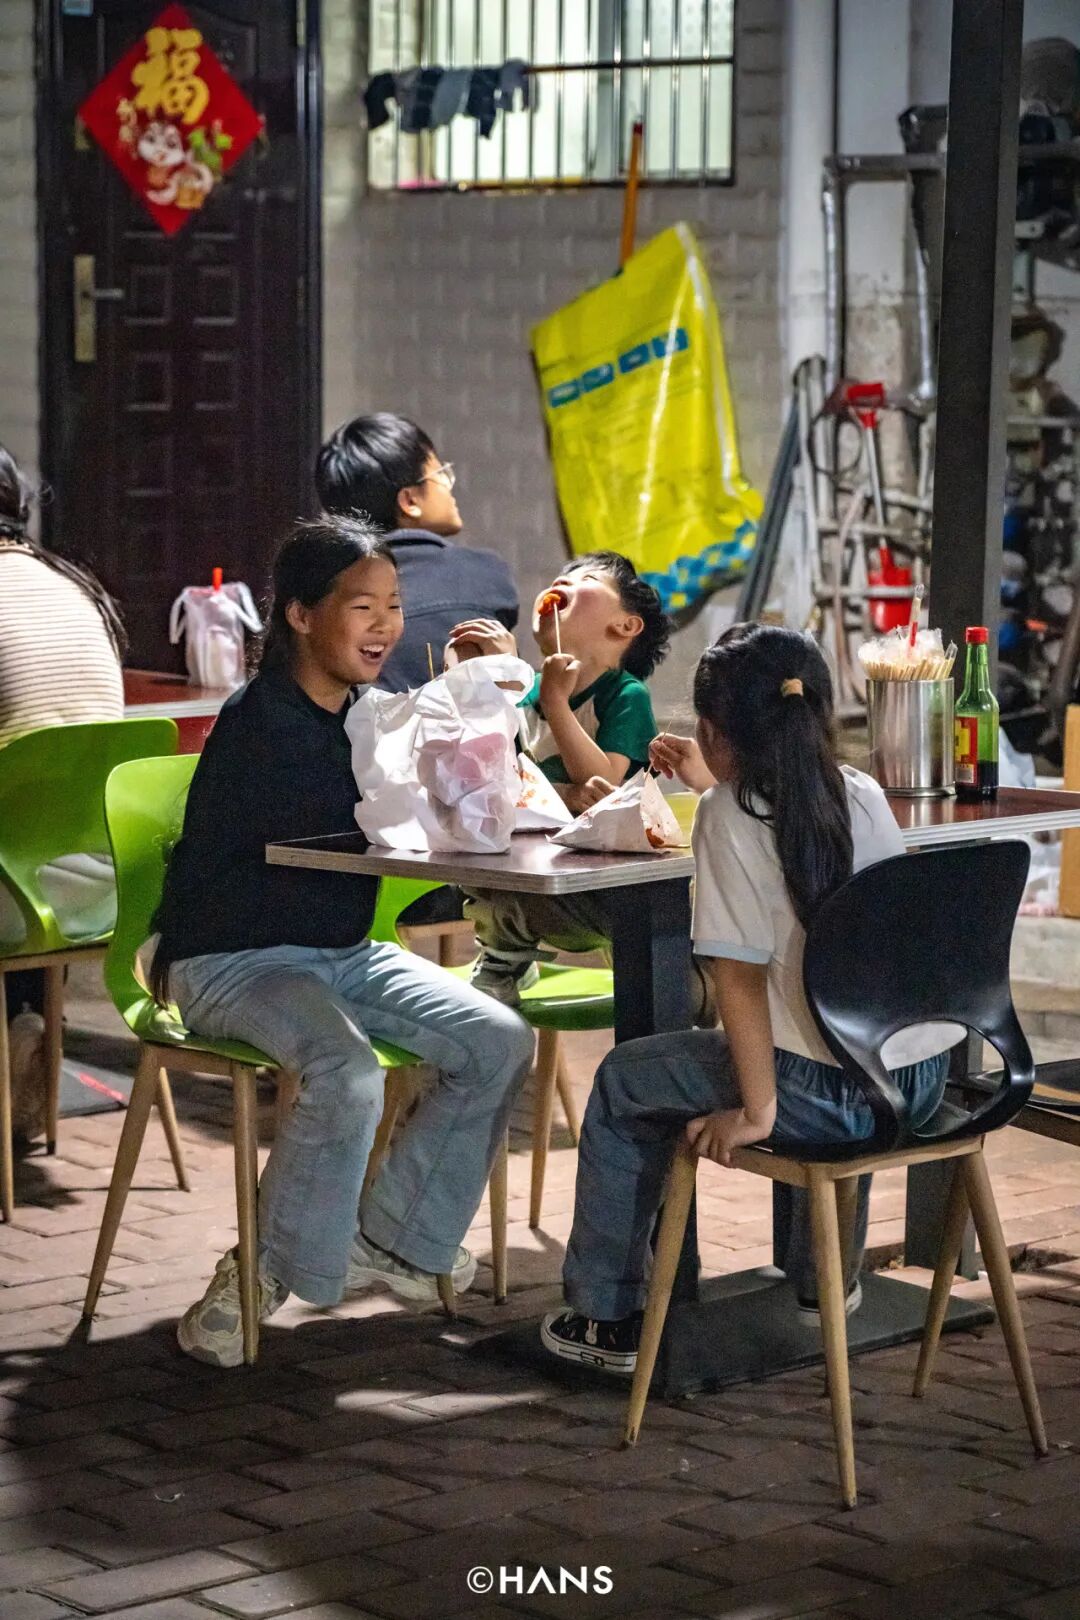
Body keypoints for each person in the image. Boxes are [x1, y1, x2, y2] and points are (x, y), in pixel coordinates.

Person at [149, 516, 534, 1368]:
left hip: (343, 951)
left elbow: (447, 804)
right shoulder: (262, 723)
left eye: (393, 605)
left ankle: (394, 1241)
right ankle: (259, 1272)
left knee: (499, 1039)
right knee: (347, 1071)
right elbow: (376, 828)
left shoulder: (369, 714)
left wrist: (485, 703)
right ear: (299, 614)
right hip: (229, 959)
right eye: (363, 606)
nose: (386, 625)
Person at [541, 623, 953, 1372]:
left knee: (626, 1079)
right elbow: (783, 854)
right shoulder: (860, 793)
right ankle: (826, 1287)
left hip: (826, 1100)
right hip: (918, 1083)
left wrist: (757, 1114)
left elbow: (736, 981)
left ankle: (605, 1317)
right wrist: (715, 786)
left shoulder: (730, 816)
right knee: (832, 1036)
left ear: (710, 729)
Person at [449, 551, 671, 1005]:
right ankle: (504, 957)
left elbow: (601, 790)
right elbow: (490, 779)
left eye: (585, 578)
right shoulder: (526, 687)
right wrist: (492, 677)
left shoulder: (625, 695)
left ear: (625, 626)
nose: (561, 581)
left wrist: (555, 703)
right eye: (560, 575)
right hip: (531, 874)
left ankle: (507, 956)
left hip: (603, 892)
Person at [0, 443, 127, 1142]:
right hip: (104, 889)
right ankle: (30, 1020)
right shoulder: (76, 588)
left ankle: (15, 1033)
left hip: (16, 898)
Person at [315, 412, 518, 693]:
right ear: (410, 500)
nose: (449, 486)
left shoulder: (325, 594)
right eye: (440, 474)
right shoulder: (485, 575)